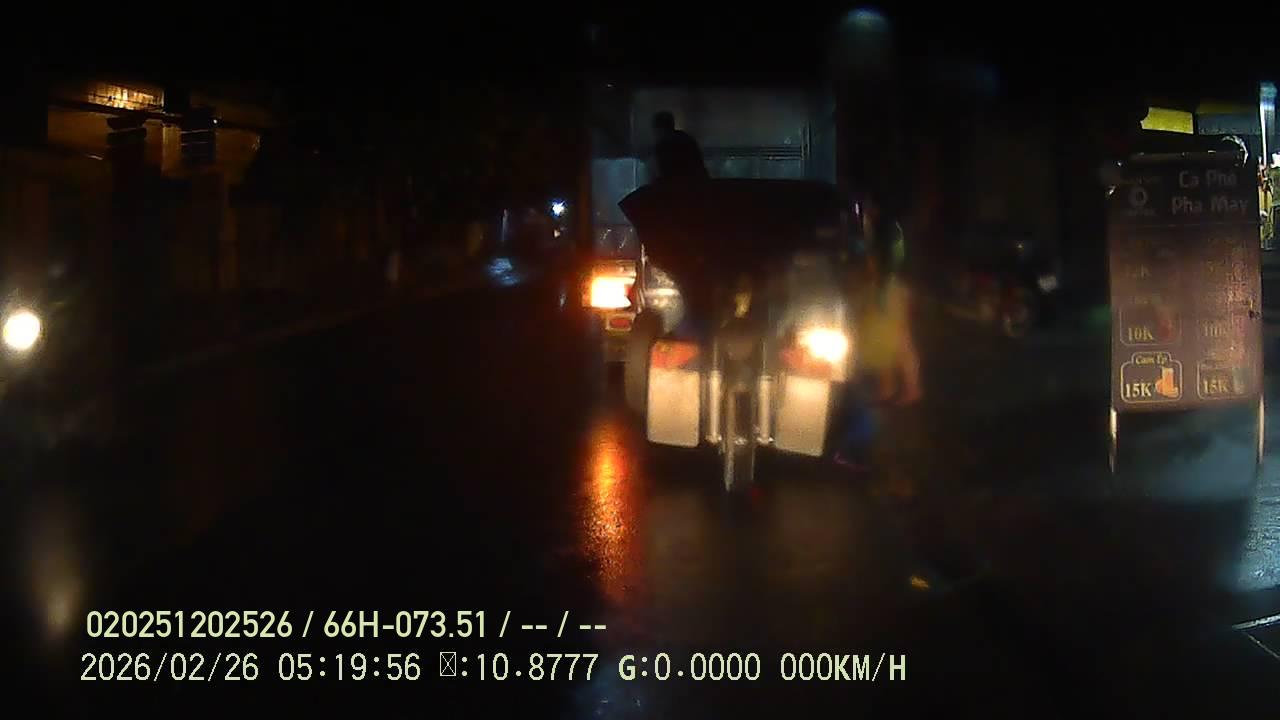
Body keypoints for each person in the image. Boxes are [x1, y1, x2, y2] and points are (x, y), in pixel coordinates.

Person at [833, 197, 923, 472]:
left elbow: (902, 336)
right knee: (864, 410)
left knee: (865, 411)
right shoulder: (880, 291)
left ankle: (849, 453)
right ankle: (849, 453)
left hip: (869, 366)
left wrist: (909, 379)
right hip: (864, 364)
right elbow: (900, 336)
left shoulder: (886, 291)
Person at [650, 111, 708, 181]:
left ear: (659, 128)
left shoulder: (663, 146)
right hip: (698, 183)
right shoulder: (687, 139)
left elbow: (665, 174)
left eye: (655, 129)